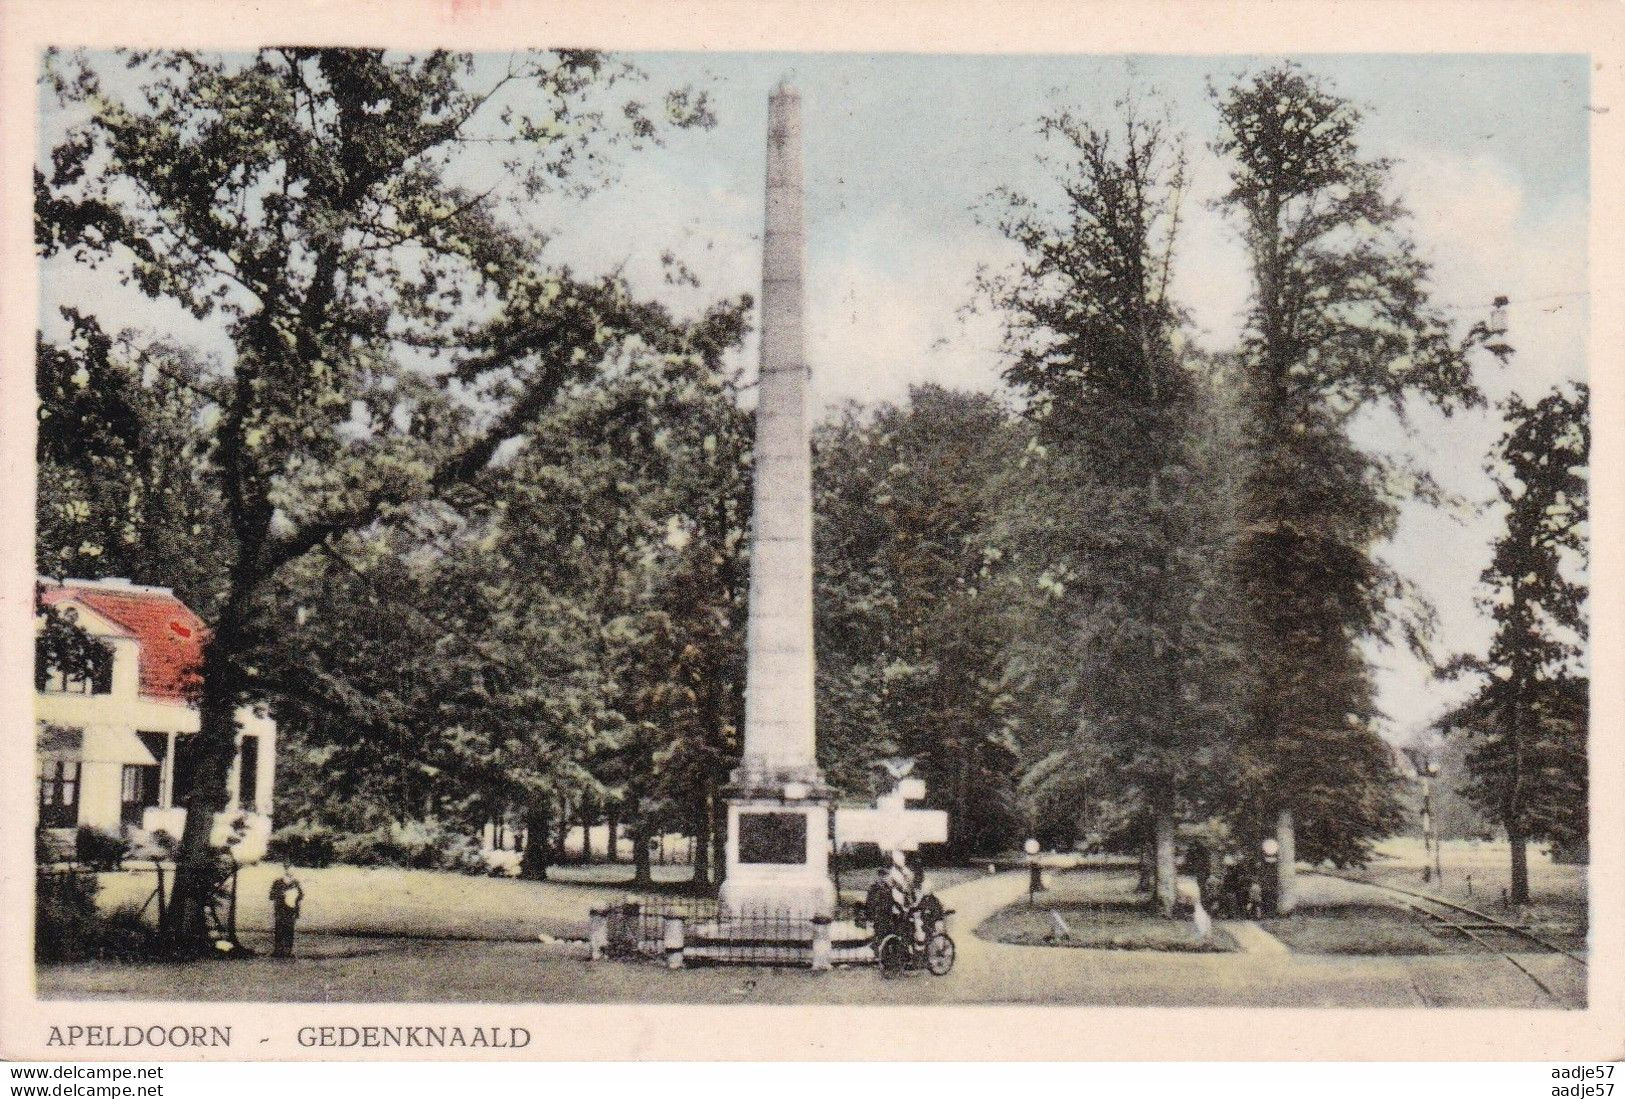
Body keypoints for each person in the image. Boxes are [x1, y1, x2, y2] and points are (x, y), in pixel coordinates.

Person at [269, 862, 304, 958]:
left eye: (293, 869)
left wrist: (295, 895)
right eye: (290, 869)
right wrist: (283, 894)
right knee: (279, 930)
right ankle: (278, 950)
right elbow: (271, 896)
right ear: (285, 870)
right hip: (281, 910)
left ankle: (288, 951)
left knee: (290, 930)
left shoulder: (295, 883)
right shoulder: (278, 882)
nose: (292, 871)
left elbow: (301, 896)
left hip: (291, 910)